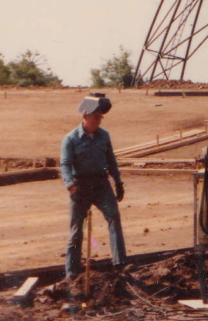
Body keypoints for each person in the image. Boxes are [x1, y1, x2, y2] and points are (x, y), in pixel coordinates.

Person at [60, 93, 127, 281]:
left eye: (100, 117)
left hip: (101, 184)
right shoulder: (70, 139)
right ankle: (72, 273)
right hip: (80, 186)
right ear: (86, 116)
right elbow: (64, 163)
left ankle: (120, 264)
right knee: (76, 229)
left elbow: (111, 160)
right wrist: (69, 183)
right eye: (96, 117)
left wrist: (118, 182)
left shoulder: (104, 136)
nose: (99, 120)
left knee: (114, 217)